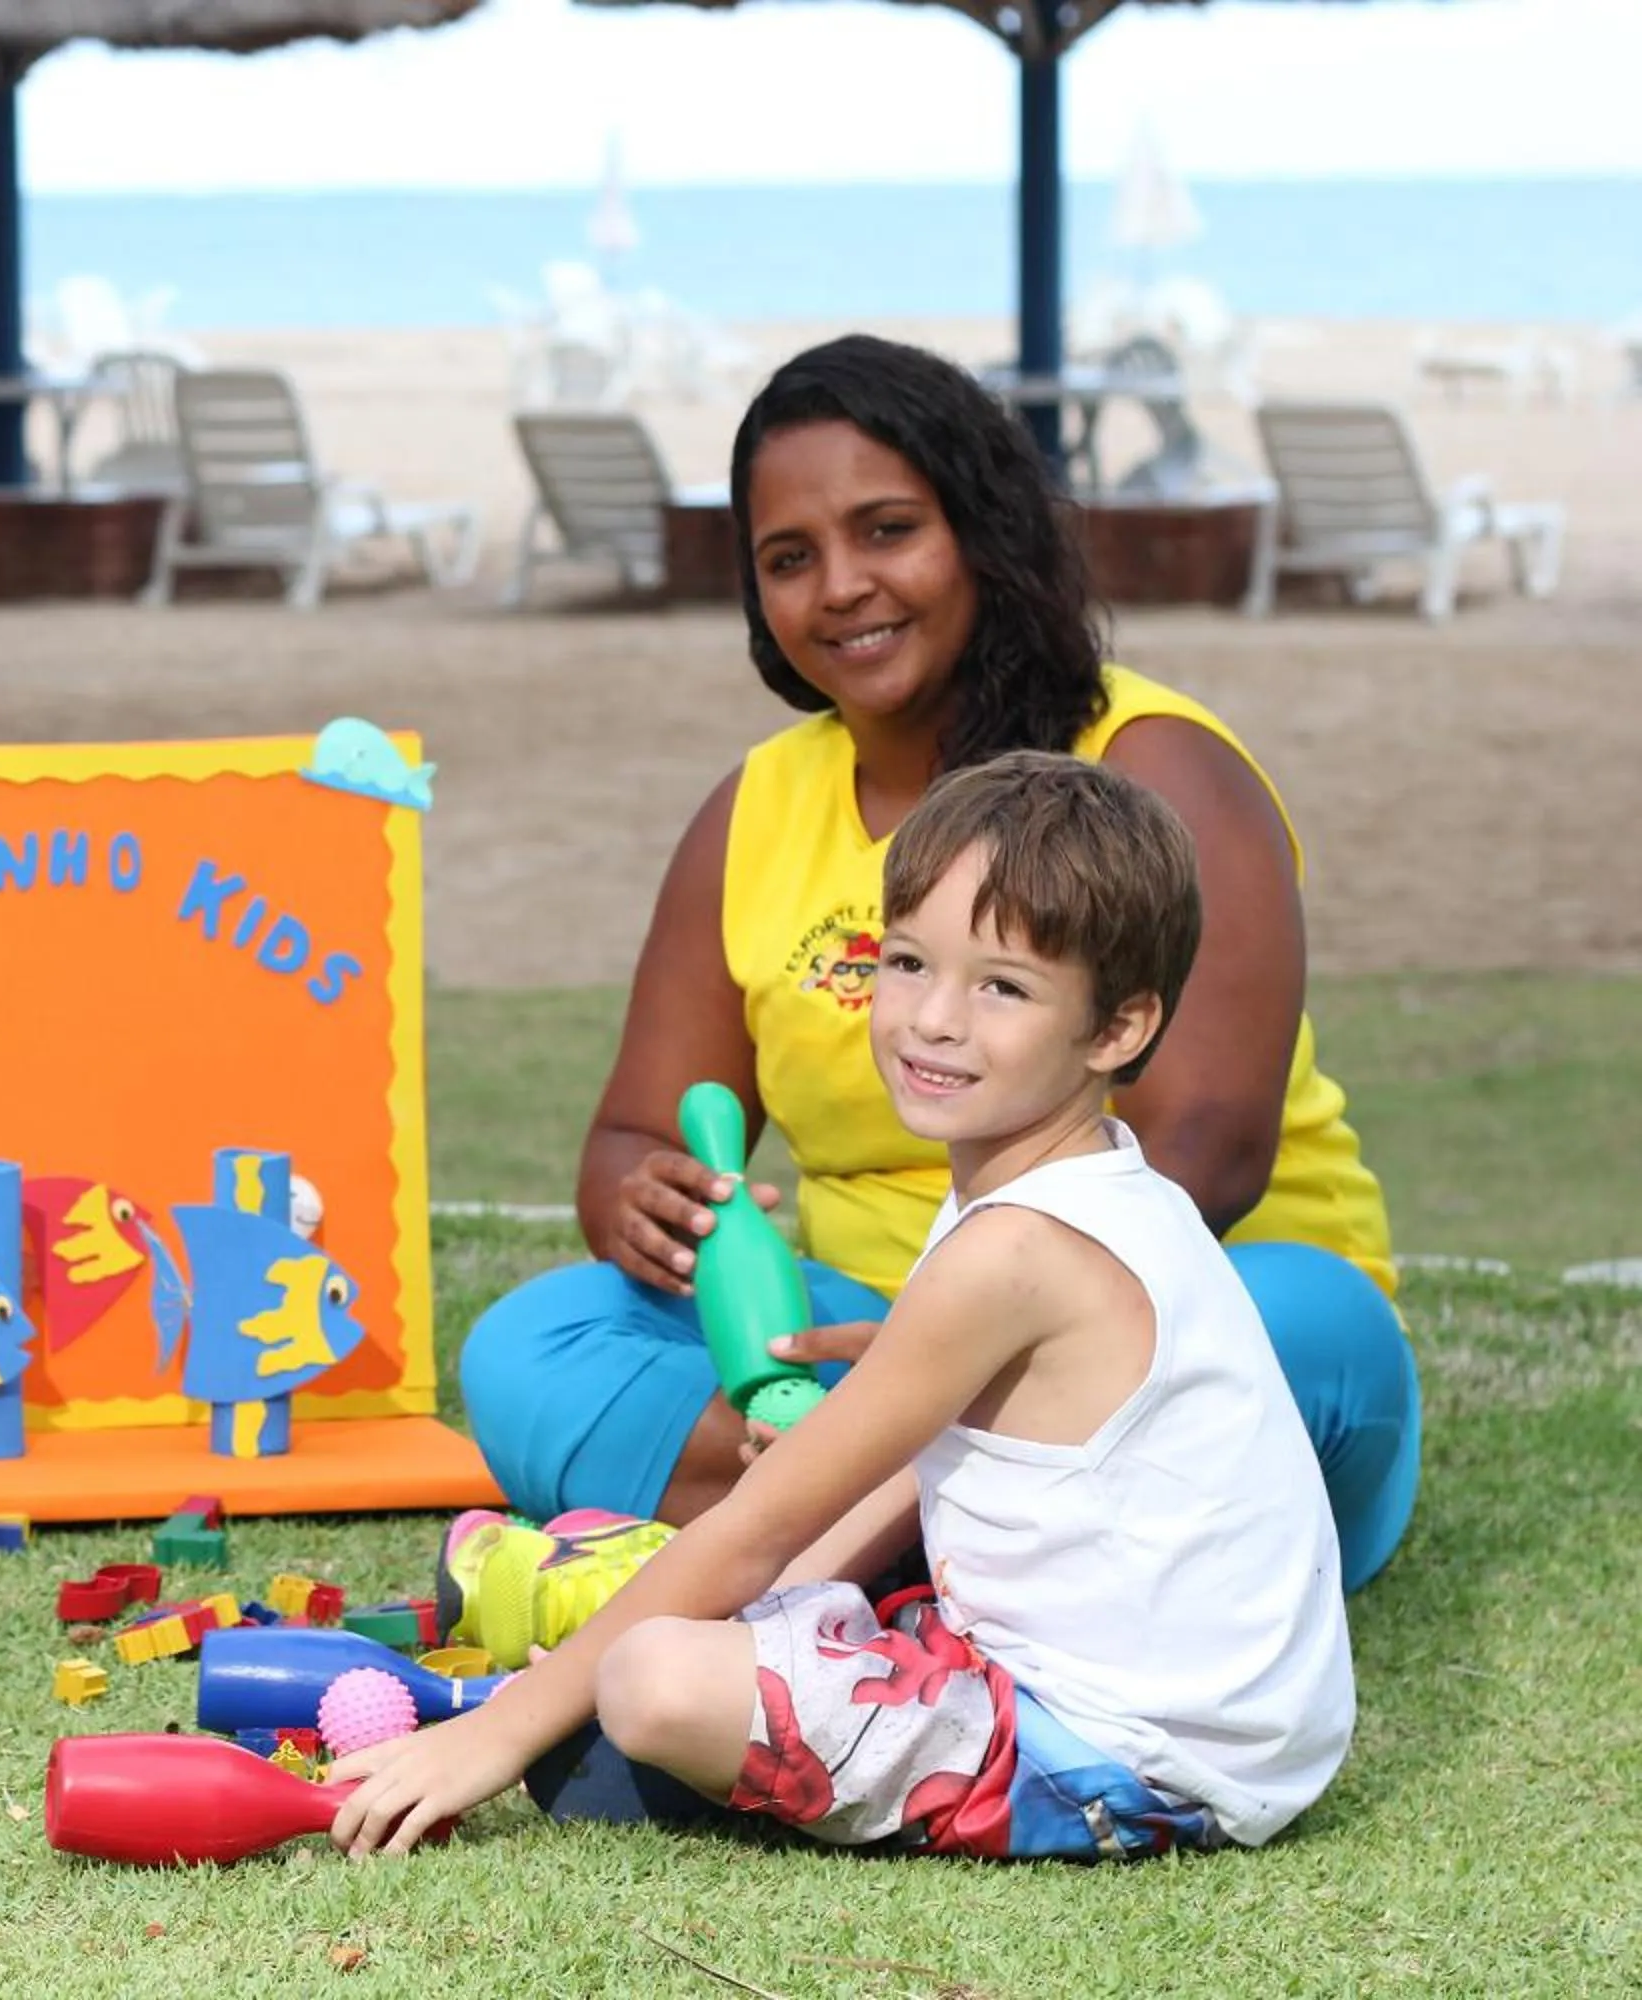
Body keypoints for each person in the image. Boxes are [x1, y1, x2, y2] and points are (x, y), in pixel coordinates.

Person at [458, 335, 1419, 1591]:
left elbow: (1210, 1146)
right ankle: (925, 1545)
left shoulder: (1156, 766)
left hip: (1135, 1314)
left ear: (983, 529)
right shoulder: (751, 812)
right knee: (531, 1343)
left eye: (888, 530)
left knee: (1312, 1321)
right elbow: (640, 1130)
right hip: (857, 1327)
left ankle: (828, 1528)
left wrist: (951, 1351)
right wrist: (647, 1201)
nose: (841, 586)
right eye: (789, 558)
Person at [335, 753, 1354, 1862]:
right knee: (677, 1618)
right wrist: (746, 1610)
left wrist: (495, 1733)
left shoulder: (1015, 1247)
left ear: (1118, 1028)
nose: (933, 1019)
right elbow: (904, 1483)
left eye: (1003, 987)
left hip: (1127, 1759)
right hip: (1200, 1726)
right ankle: (655, 1683)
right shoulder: (1085, 1179)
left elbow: (756, 1526)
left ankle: (648, 1731)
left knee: (652, 1677)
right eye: (907, 962)